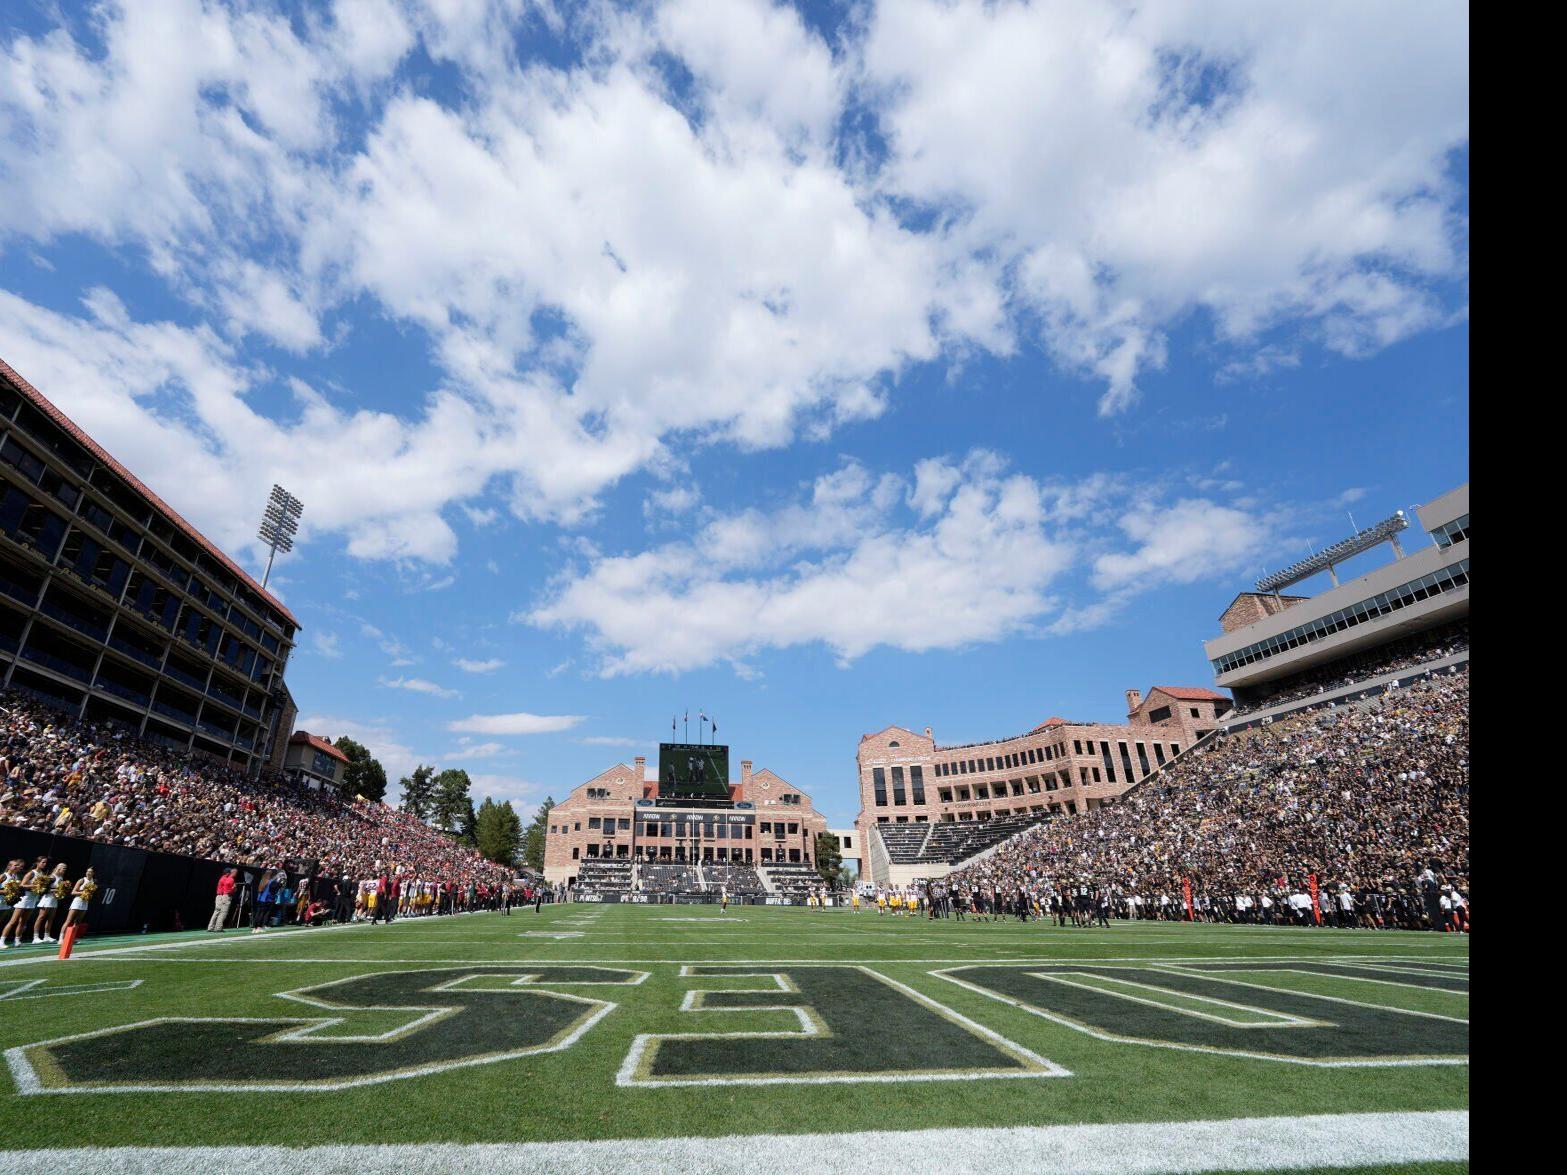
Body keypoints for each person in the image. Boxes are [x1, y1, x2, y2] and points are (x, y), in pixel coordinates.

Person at [62, 868, 96, 935]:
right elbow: (73, 892)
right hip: (77, 902)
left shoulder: (93, 882)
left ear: (93, 873)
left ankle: (72, 937)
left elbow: (91, 893)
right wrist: (84, 892)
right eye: (87, 871)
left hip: (85, 902)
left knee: (78, 922)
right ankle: (61, 937)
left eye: (90, 872)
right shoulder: (81, 880)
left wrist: (89, 894)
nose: (88, 873)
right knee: (68, 921)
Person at [251, 869, 276, 933]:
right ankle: (259, 927)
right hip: (266, 899)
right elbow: (273, 890)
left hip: (260, 899)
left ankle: (254, 927)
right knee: (262, 913)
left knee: (258, 913)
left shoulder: (262, 880)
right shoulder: (270, 881)